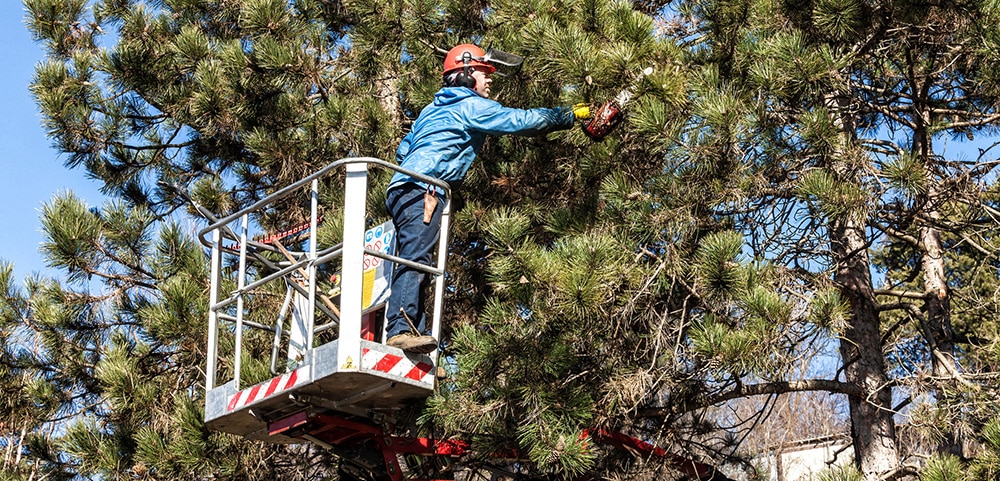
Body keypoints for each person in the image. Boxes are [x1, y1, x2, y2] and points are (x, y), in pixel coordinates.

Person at [384, 43, 590, 353]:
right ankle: (399, 331)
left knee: (416, 258)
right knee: (416, 258)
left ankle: (412, 335)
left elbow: (404, 150)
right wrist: (567, 115)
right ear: (465, 75)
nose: (490, 81)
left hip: (401, 187)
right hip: (423, 190)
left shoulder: (431, 110)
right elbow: (520, 121)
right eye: (484, 73)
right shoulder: (469, 105)